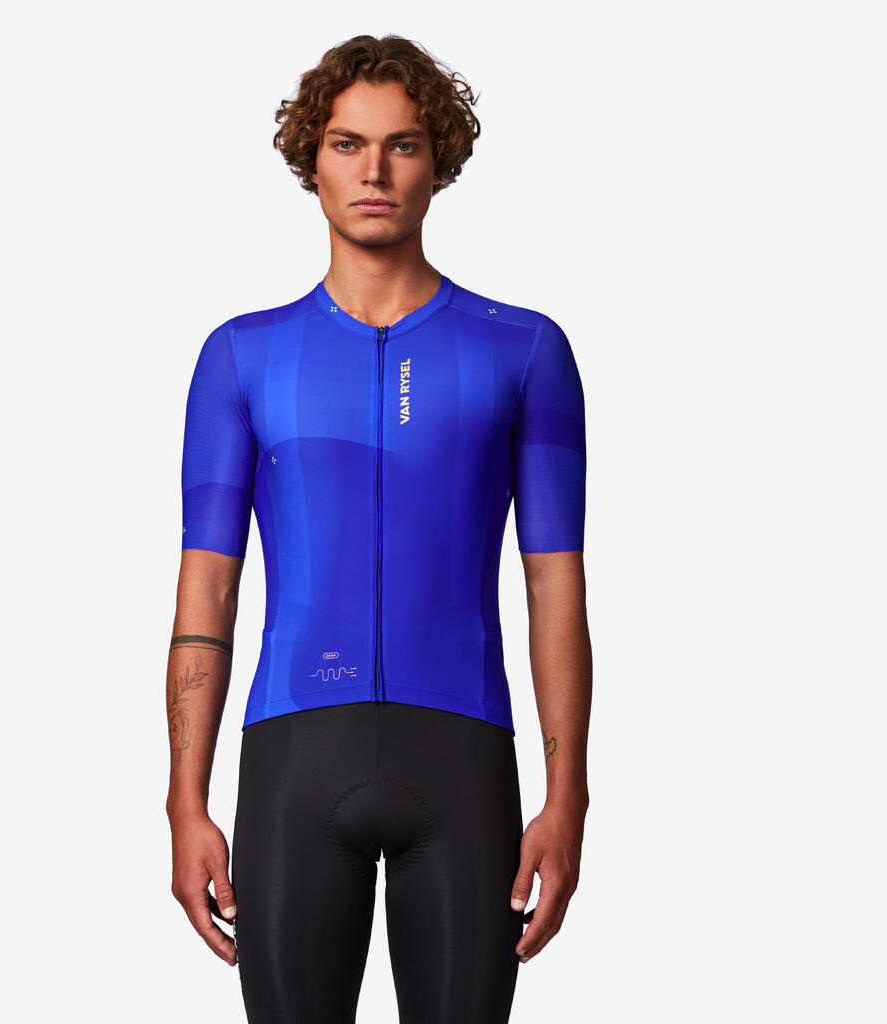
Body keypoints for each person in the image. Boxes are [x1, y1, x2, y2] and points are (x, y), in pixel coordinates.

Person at [165, 34, 592, 1023]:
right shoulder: (240, 357)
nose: (374, 171)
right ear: (310, 160)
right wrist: (184, 800)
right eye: (347, 144)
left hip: (464, 760)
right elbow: (208, 587)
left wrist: (568, 795)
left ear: (437, 161)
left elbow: (555, 584)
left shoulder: (526, 350)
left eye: (402, 145)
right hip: (292, 761)